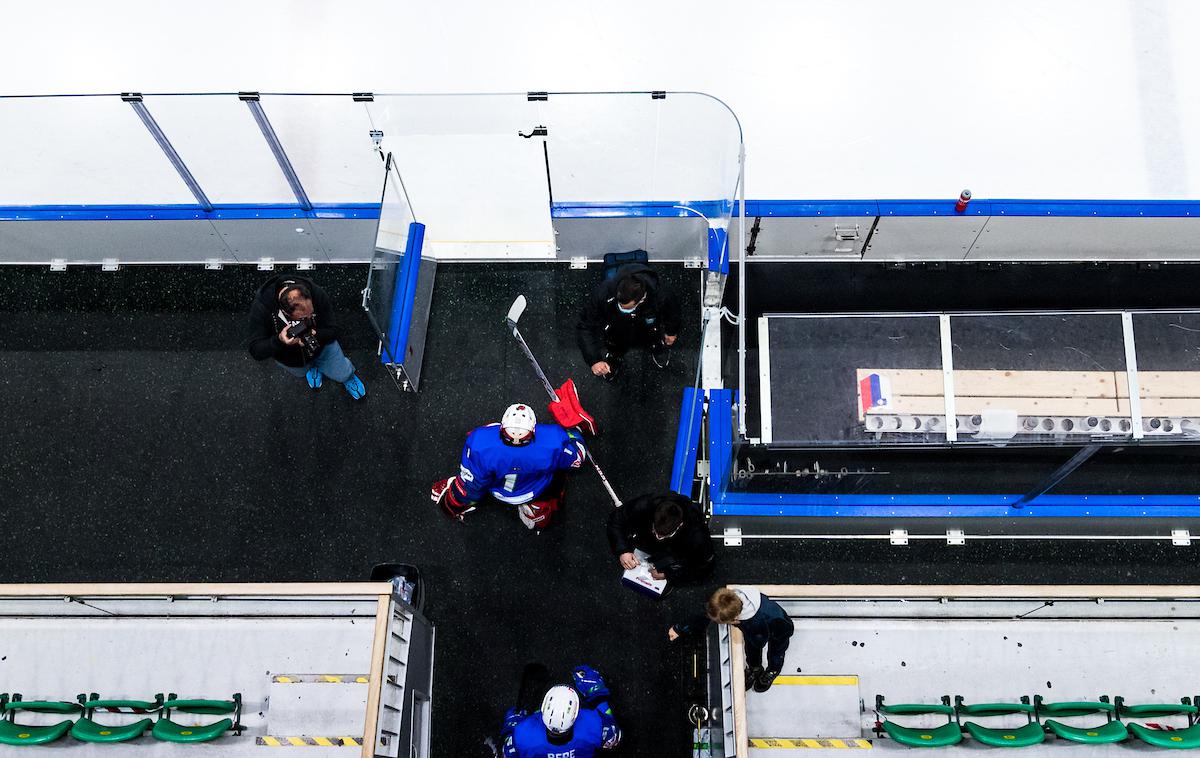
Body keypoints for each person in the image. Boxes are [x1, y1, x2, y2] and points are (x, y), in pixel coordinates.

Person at [431, 404, 586, 529]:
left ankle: (536, 509)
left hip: (500, 492)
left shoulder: (480, 442)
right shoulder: (553, 439)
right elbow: (577, 459)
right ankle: (537, 511)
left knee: (473, 479)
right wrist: (573, 432)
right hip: (534, 490)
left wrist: (454, 502)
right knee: (558, 475)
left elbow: (472, 486)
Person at [246, 274, 366, 399]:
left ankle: (347, 377)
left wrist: (317, 335)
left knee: (342, 372)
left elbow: (334, 329)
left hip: (323, 349)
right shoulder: (262, 307)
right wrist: (280, 341)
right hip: (290, 359)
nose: (310, 319)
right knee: (301, 371)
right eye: (303, 318)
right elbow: (256, 350)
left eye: (312, 313)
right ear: (285, 312)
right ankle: (312, 368)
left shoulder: (316, 293)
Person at [668, 587, 794, 693]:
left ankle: (773, 670)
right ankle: (755, 668)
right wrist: (679, 629)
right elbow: (704, 614)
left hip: (779, 628)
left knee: (776, 652)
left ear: (735, 619)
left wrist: (749, 632)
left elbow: (758, 642)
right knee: (751, 649)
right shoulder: (726, 602)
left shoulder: (757, 621)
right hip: (755, 630)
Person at [576, 262, 682, 381]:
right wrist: (594, 360)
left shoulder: (661, 293)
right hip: (616, 328)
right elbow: (585, 326)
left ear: (641, 299)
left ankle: (655, 348)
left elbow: (673, 312)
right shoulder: (603, 293)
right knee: (614, 342)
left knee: (653, 335)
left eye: (627, 307)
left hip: (648, 325)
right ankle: (615, 356)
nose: (622, 308)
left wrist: (671, 331)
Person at [501, 665, 621, 758]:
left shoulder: (522, 734)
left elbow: (507, 753)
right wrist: (597, 693)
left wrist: (510, 727)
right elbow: (613, 736)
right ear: (575, 714)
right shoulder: (593, 725)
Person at [607, 491, 714, 585]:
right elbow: (617, 518)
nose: (658, 537)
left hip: (676, 550)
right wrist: (623, 550)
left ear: (680, 525)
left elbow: (703, 567)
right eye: (655, 531)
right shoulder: (647, 504)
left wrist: (668, 574)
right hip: (645, 537)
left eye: (663, 535)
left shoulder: (697, 535)